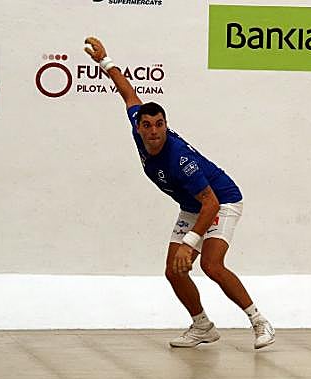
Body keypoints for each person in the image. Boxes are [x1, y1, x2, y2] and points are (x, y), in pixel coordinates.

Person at [84, 37, 275, 349]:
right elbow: (128, 92)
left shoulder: (179, 159)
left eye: (160, 125)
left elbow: (211, 203)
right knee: (174, 271)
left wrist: (189, 243)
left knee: (210, 265)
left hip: (221, 200)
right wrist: (106, 61)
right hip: (192, 204)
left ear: (166, 125)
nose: (154, 131)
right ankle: (202, 326)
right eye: (148, 125)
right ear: (139, 127)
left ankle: (259, 321)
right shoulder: (137, 124)